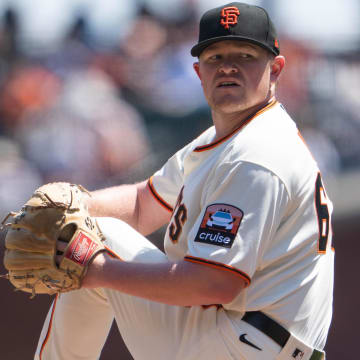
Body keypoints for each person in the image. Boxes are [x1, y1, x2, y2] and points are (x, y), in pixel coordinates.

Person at [35, 3, 334, 360]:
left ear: (276, 68)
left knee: (94, 239)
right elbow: (144, 203)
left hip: (244, 344)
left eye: (245, 55)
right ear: (199, 71)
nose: (228, 66)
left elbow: (213, 283)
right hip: (245, 339)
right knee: (91, 229)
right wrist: (71, 203)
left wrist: (95, 270)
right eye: (215, 56)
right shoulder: (225, 139)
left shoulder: (257, 154)